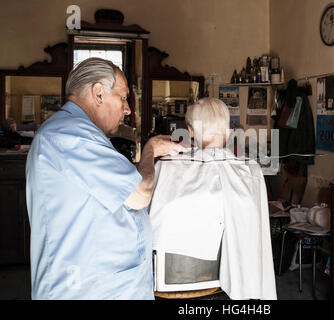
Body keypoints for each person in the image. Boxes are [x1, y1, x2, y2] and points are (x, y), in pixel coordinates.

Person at [26, 57, 185, 300]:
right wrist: (151, 150)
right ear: (99, 93)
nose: (127, 109)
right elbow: (139, 193)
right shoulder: (70, 135)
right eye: (122, 98)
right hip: (84, 289)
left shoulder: (81, 134)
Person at [149, 97, 277, 300]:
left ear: (190, 131)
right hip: (239, 282)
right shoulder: (250, 172)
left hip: (174, 283)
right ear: (227, 131)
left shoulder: (167, 168)